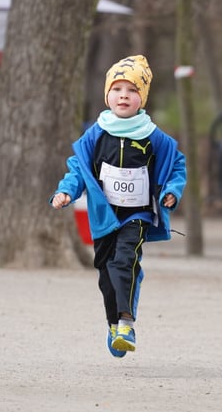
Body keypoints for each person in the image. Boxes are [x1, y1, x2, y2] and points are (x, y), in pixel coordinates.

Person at [50, 55, 186, 358]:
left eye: (132, 90)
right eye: (118, 89)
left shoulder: (153, 137)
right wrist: (65, 192)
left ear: (142, 98)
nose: (124, 95)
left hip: (135, 215)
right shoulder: (97, 133)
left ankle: (127, 324)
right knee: (105, 271)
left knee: (125, 262)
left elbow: (177, 165)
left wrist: (173, 191)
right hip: (104, 215)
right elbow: (78, 169)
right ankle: (113, 324)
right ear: (107, 95)